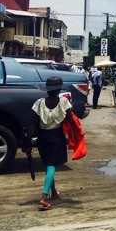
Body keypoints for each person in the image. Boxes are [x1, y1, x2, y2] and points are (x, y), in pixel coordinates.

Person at [25, 76, 72, 211]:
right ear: (58, 90)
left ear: (47, 90)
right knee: (52, 166)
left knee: (48, 164)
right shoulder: (63, 102)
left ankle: (54, 192)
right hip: (57, 137)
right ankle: (44, 198)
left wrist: (28, 141)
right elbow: (71, 119)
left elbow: (33, 125)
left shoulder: (39, 103)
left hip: (42, 138)